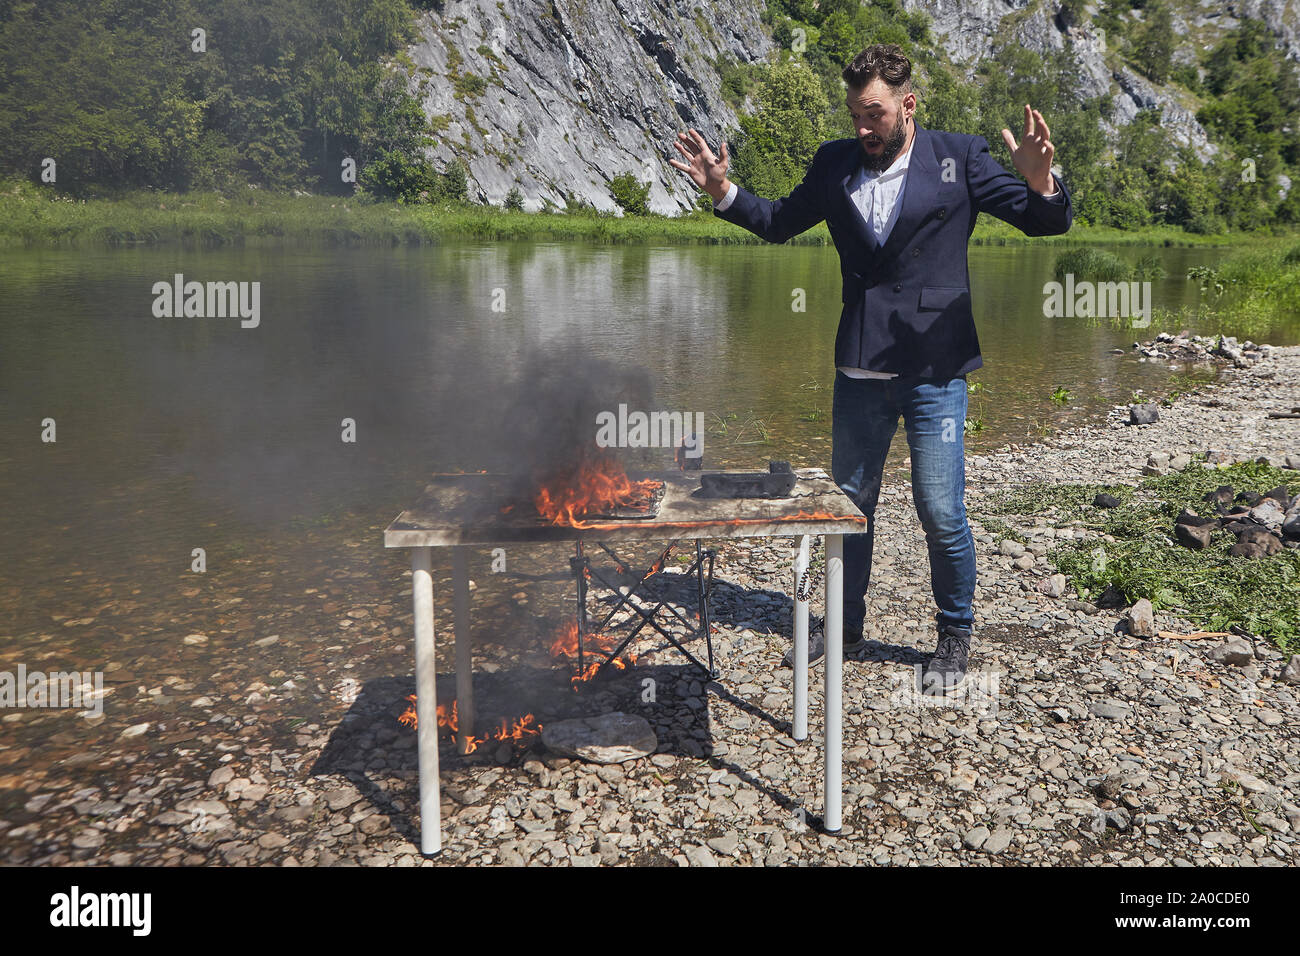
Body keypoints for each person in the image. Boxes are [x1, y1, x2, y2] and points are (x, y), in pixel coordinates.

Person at [669, 44, 1073, 694]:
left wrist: (1038, 181)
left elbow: (1043, 223)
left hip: (936, 371)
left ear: (907, 104)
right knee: (849, 507)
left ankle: (954, 632)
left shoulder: (959, 156)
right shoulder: (835, 162)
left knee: (940, 508)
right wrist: (723, 190)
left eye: (875, 115)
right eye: (856, 115)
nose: (863, 128)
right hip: (859, 370)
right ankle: (846, 624)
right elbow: (776, 222)